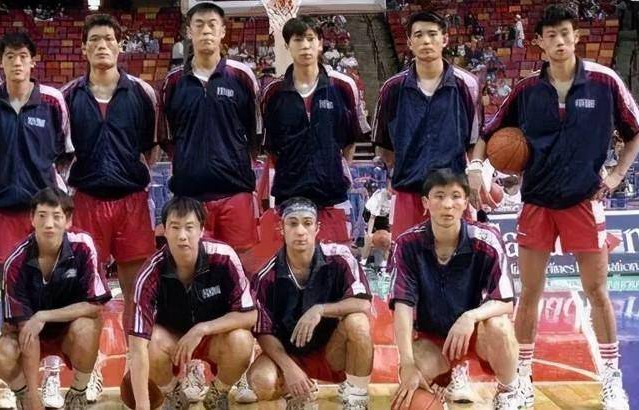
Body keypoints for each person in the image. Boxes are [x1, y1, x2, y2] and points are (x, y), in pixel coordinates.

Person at [470, 5, 638, 409]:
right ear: (539, 43)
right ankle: (522, 380)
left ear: (576, 36)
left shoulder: (605, 81)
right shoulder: (526, 89)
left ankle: (611, 379)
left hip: (584, 201)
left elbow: (634, 132)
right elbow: (489, 134)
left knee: (597, 291)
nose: (560, 41)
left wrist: (617, 175)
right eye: (551, 35)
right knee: (530, 293)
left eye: (565, 33)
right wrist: (476, 168)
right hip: (537, 202)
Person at [0, 31, 73, 408]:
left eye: (23, 56)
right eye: (10, 56)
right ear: (0, 62)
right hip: (4, 212)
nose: (16, 62)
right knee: (11, 297)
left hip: (45, 212)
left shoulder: (53, 100)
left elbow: (65, 153)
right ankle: (20, 384)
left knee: (52, 289)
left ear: (33, 61)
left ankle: (51, 374)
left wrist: (50, 198)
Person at [388, 169, 523, 410]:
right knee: (412, 383)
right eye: (439, 196)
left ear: (466, 201)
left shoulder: (487, 239)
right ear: (425, 203)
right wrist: (406, 364)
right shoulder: (407, 244)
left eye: (456, 196)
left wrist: (470, 317)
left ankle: (510, 392)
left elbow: (505, 301)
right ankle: (445, 380)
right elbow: (402, 306)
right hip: (431, 339)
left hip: (475, 335)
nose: (448, 204)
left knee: (500, 325)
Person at [61, 13, 157, 325]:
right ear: (83, 49)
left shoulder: (142, 93)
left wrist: (126, 173)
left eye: (108, 39)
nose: (102, 45)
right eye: (94, 40)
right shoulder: (67, 96)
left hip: (132, 201)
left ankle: (135, 353)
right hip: (86, 201)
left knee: (136, 291)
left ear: (119, 46)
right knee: (86, 293)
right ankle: (93, 355)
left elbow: (150, 149)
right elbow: (60, 154)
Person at [126, 196, 257, 410]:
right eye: (175, 227)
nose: (182, 236)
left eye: (189, 227)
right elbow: (137, 347)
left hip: (214, 336)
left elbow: (250, 315)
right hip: (172, 340)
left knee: (242, 340)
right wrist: (142, 406)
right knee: (150, 344)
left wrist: (202, 329)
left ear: (202, 229)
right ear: (164, 231)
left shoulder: (224, 257)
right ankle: (173, 394)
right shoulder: (150, 273)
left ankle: (218, 392)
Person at [247, 197, 373, 409]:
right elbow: (263, 332)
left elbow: (363, 304)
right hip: (289, 353)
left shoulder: (340, 257)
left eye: (307, 223)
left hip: (332, 351)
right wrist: (289, 368)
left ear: (317, 228)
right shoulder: (266, 276)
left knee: (358, 322)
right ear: (281, 228)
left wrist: (320, 309)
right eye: (292, 223)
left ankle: (356, 396)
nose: (300, 231)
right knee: (262, 383)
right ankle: (298, 389)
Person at [0, 187, 111, 410]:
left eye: (56, 216)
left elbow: (94, 305)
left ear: (68, 220)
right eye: (42, 215)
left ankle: (78, 392)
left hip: (69, 330)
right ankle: (24, 395)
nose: (49, 224)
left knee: (88, 328)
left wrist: (43, 316)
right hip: (29, 332)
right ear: (32, 219)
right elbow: (27, 330)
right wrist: (33, 395)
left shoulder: (83, 245)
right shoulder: (15, 262)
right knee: (3, 353)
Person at [159, 1, 261, 256]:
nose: (206, 31)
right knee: (193, 266)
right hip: (189, 195)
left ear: (222, 31)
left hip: (236, 191)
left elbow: (256, 130)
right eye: (199, 24)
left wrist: (236, 161)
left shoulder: (242, 76)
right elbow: (167, 137)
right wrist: (189, 163)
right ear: (189, 31)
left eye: (212, 25)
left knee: (239, 267)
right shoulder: (173, 82)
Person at [372, 11, 482, 240]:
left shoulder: (467, 85)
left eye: (432, 34)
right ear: (409, 42)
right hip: (408, 194)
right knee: (408, 260)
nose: (426, 41)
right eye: (419, 35)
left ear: (445, 39)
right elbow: (384, 148)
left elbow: (474, 139)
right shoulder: (392, 89)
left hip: (453, 194)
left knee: (459, 260)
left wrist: (476, 171)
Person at [261, 16, 370, 245]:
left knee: (336, 260)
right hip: (289, 197)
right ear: (287, 45)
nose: (305, 45)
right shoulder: (273, 92)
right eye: (298, 40)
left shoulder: (343, 86)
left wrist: (331, 171)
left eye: (310, 39)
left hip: (332, 197)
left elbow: (350, 140)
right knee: (293, 261)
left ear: (320, 43)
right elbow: (272, 147)